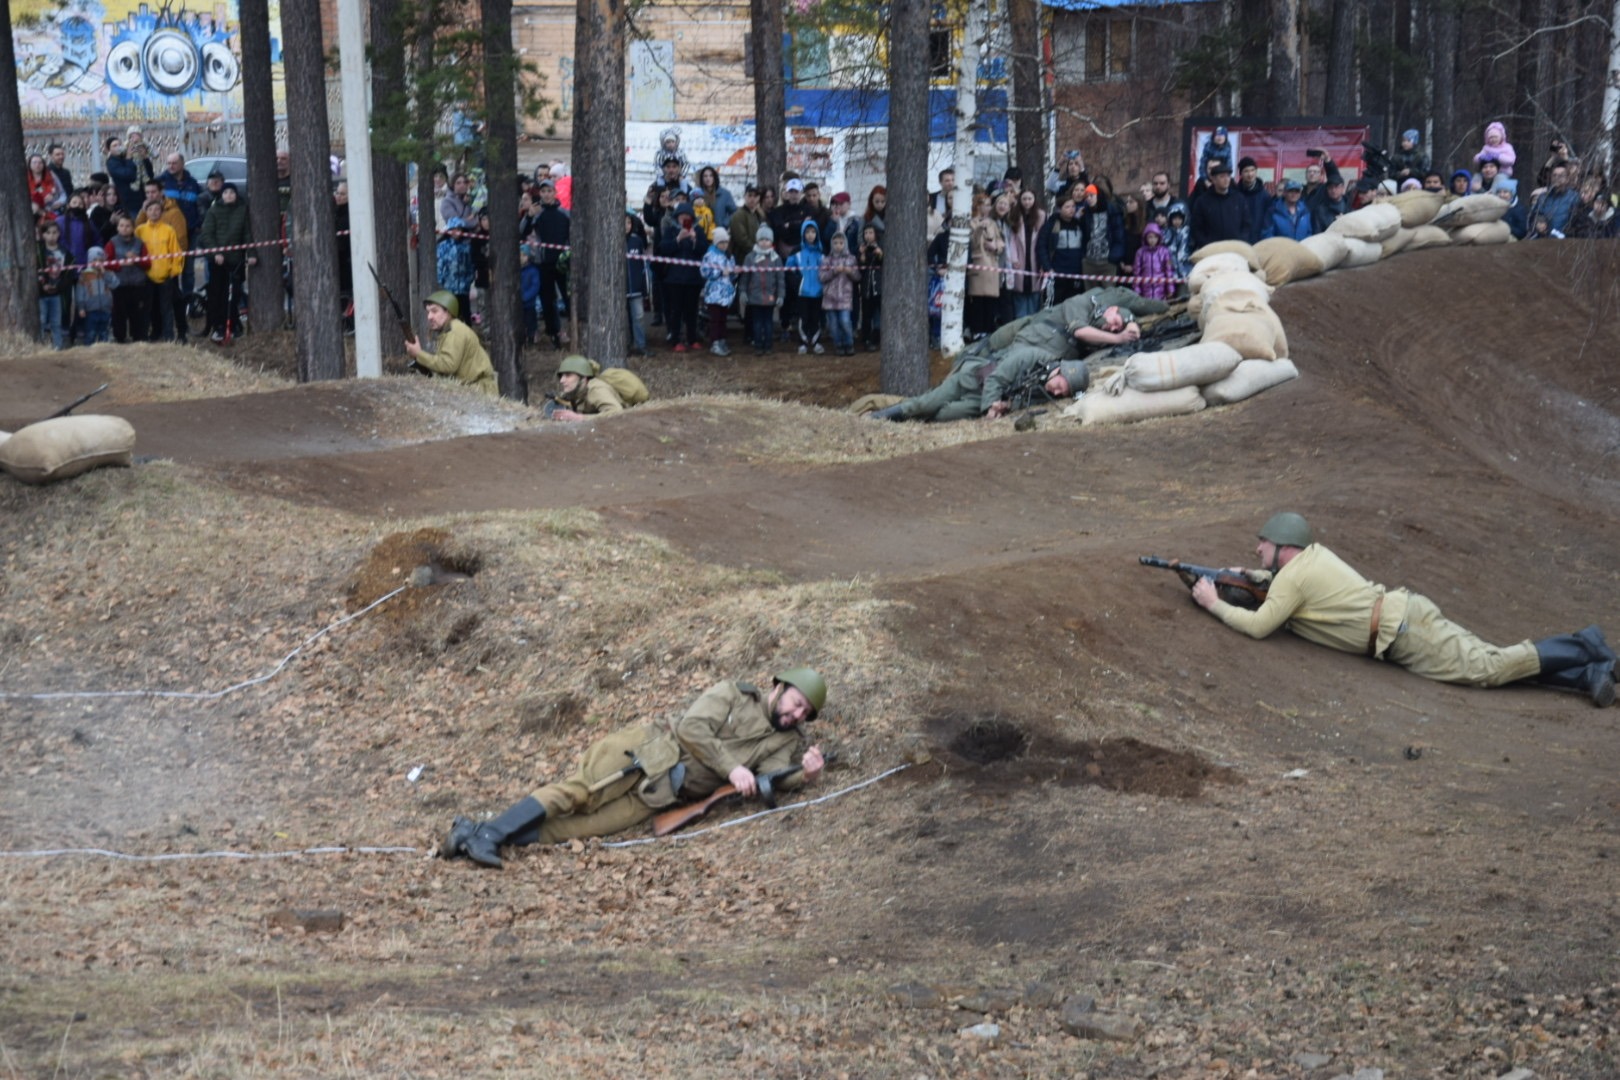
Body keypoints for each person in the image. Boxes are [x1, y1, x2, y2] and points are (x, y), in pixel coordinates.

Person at [1190, 513, 1615, 708]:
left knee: (1487, 668)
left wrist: (1213, 604)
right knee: (1492, 662)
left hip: (1406, 633)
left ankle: (1584, 646)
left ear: (1285, 547)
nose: (1256, 548)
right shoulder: (1312, 559)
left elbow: (1260, 625)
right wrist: (1248, 574)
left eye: (1262, 543)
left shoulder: (1293, 579)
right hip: (1406, 619)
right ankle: (1590, 677)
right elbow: (1281, 585)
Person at [441, 669, 828, 867]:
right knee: (580, 794)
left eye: (804, 713)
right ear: (778, 688)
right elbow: (692, 728)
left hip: (664, 793)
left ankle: (476, 836)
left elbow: (772, 778)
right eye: (795, 703)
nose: (796, 715)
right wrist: (732, 769)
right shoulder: (733, 693)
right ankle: (488, 834)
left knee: (586, 827)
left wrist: (804, 775)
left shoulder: (785, 741)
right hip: (647, 750)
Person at [404, 291, 498, 395]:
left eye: (434, 311)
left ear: (448, 312)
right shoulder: (450, 330)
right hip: (471, 389)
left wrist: (419, 354)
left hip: (480, 391)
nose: (429, 317)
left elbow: (448, 365)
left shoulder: (455, 331)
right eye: (428, 312)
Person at [198, 182, 255, 342]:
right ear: (221, 195)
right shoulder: (214, 210)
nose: (228, 195)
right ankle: (218, 326)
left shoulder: (242, 210)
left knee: (234, 294)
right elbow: (207, 234)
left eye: (231, 192)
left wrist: (251, 253)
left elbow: (247, 233)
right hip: (218, 261)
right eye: (225, 193)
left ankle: (233, 324)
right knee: (218, 294)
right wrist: (216, 252)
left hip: (235, 260)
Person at [136, 199, 184, 343]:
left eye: (157, 210)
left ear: (162, 212)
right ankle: (154, 332)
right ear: (146, 212)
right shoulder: (140, 231)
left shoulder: (168, 230)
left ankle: (168, 335)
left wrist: (174, 270)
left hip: (165, 275)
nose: (154, 213)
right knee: (150, 307)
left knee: (166, 307)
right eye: (150, 210)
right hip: (147, 276)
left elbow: (176, 252)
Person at [531, 177, 571, 348]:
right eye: (543, 191)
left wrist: (568, 253)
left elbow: (572, 235)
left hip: (563, 262)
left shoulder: (565, 214)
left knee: (568, 298)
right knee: (547, 300)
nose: (546, 194)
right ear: (540, 194)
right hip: (544, 262)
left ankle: (571, 330)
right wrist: (529, 216)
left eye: (549, 191)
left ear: (555, 193)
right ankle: (554, 333)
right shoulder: (536, 214)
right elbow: (523, 231)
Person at [548, 354, 647, 420]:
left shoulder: (596, 389)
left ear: (584, 378)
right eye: (561, 376)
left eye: (568, 375)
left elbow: (616, 413)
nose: (562, 380)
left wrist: (580, 418)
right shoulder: (577, 390)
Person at [741, 224, 785, 355]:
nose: (764, 242)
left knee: (768, 323)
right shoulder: (750, 258)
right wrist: (742, 292)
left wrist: (781, 295)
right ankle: (758, 345)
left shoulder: (776, 258)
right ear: (757, 240)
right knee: (757, 323)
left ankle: (768, 345)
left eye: (767, 239)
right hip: (755, 297)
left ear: (771, 241)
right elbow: (745, 277)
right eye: (761, 239)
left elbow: (780, 279)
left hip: (770, 298)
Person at [966, 192, 1004, 340]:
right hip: (978, 264)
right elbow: (972, 243)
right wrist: (979, 229)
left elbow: (1000, 241)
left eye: (989, 205)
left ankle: (988, 330)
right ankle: (977, 330)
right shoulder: (971, 222)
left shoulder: (992, 223)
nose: (988, 208)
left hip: (992, 265)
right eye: (985, 205)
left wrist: (996, 247)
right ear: (978, 206)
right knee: (977, 301)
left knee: (990, 301)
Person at [106, 213, 149, 343]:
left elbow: (148, 263)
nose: (124, 228)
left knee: (137, 314)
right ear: (117, 227)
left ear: (133, 228)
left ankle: (138, 338)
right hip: (119, 284)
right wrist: (120, 264)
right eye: (121, 225)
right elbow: (106, 262)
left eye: (127, 226)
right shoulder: (112, 243)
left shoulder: (140, 243)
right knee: (119, 314)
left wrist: (137, 259)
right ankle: (119, 338)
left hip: (137, 284)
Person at [1003, 189, 1045, 320]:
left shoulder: (1041, 216)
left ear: (1034, 200)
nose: (1027, 202)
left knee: (1034, 293)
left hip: (1035, 257)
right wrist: (1013, 259)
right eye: (1024, 199)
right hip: (1019, 257)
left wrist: (1042, 262)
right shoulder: (1014, 215)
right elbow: (1011, 239)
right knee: (1019, 292)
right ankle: (1020, 322)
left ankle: (1033, 321)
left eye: (1030, 199)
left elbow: (1043, 239)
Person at [1188, 163, 1250, 250]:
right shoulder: (1202, 201)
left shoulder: (1239, 199)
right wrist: (1206, 244)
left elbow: (1246, 224)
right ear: (1213, 179)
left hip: (1235, 249)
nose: (1226, 179)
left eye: (1228, 176)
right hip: (1211, 250)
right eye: (1222, 177)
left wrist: (1241, 242)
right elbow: (1196, 228)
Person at [1037, 194, 1086, 304]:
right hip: (1057, 272)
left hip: (1076, 273)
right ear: (1060, 209)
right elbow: (1042, 246)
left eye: (1073, 206)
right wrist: (1047, 267)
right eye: (1067, 207)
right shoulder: (1051, 224)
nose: (1071, 209)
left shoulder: (1079, 224)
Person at [785, 219, 824, 354]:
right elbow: (789, 270)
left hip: (818, 292)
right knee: (803, 317)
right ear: (803, 234)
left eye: (813, 232)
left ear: (817, 234)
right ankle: (803, 342)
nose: (810, 235)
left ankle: (816, 341)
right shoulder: (797, 252)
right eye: (807, 232)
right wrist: (798, 283)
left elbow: (826, 270)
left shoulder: (820, 252)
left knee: (816, 317)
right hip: (803, 292)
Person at [818, 230, 860, 356]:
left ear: (845, 244)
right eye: (835, 243)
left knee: (845, 322)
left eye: (841, 243)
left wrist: (850, 272)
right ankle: (838, 345)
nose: (838, 246)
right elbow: (822, 277)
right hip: (829, 298)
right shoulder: (826, 260)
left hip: (845, 297)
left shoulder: (851, 259)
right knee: (833, 325)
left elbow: (858, 277)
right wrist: (834, 271)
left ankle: (849, 343)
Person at [700, 226, 738, 356]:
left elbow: (732, 273)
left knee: (723, 318)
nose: (724, 245)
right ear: (716, 242)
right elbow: (705, 272)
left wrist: (734, 272)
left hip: (726, 293)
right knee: (715, 319)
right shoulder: (709, 256)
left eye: (726, 242)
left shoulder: (729, 256)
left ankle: (722, 340)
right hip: (714, 294)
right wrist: (720, 272)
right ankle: (715, 342)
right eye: (722, 242)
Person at [36, 221, 71, 350]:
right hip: (41, 293)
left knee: (56, 322)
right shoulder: (38, 251)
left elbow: (68, 274)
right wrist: (42, 285)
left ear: (59, 234)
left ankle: (58, 347)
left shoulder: (65, 252)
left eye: (55, 232)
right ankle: (40, 347)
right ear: (43, 235)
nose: (52, 236)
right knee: (41, 321)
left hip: (57, 293)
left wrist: (59, 287)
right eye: (48, 233)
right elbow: (35, 271)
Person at [73, 246, 113, 346]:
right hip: (91, 310)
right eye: (95, 260)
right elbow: (80, 293)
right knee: (90, 333)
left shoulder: (108, 273)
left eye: (100, 260)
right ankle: (89, 350)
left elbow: (115, 284)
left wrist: (105, 274)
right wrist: (81, 308)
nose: (98, 262)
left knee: (104, 333)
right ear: (90, 261)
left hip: (105, 309)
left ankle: (104, 351)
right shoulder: (84, 275)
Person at [624, 212, 652, 355]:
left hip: (636, 288)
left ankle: (641, 345)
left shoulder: (637, 241)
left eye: (628, 223)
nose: (626, 226)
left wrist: (644, 288)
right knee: (624, 319)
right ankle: (626, 345)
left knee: (639, 317)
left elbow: (643, 267)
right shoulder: (611, 242)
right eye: (623, 223)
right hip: (620, 289)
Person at [1529, 164, 1579, 235]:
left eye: (1561, 176)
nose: (1557, 178)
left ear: (1567, 179)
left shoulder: (1574, 197)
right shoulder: (1543, 197)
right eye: (1554, 175)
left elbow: (1576, 221)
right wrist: (1538, 222)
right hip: (1543, 237)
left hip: (1564, 238)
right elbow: (1534, 216)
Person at [1132, 222, 1177, 301]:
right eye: (1150, 237)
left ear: (1159, 238)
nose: (1153, 240)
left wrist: (1170, 288)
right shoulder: (1140, 252)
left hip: (1161, 290)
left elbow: (1169, 270)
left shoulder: (1164, 251)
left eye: (1155, 237)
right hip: (1145, 290)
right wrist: (1137, 289)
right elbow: (1137, 272)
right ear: (1145, 238)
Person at [857, 223, 884, 350]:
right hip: (866, 287)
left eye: (870, 233)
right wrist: (861, 255)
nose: (868, 235)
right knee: (866, 315)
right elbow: (859, 268)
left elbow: (884, 262)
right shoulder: (862, 248)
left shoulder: (881, 246)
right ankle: (866, 339)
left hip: (879, 287)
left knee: (880, 313)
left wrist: (880, 254)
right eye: (866, 233)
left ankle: (878, 337)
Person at [1234, 158, 1270, 244]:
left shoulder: (1264, 195)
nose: (1250, 174)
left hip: (1259, 240)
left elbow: (1268, 221)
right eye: (1246, 171)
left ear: (1256, 172)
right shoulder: (1235, 194)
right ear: (1241, 174)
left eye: (1252, 170)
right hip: (1238, 241)